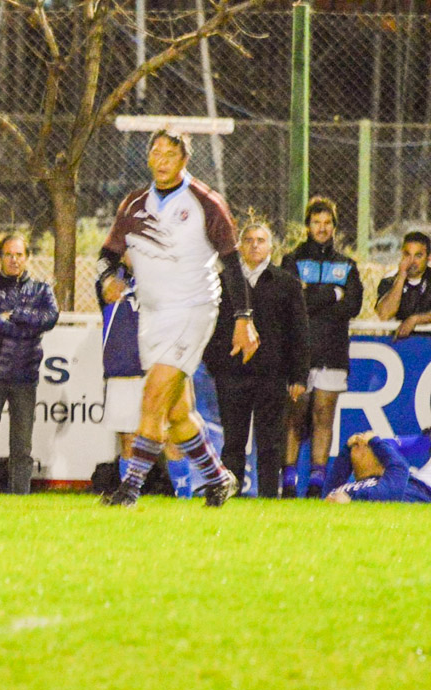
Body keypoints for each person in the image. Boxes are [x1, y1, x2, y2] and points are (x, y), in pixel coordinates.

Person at [97, 128, 259, 508]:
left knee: (152, 399)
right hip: (151, 314)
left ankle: (129, 490)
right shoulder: (134, 203)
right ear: (149, 158)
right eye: (157, 152)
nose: (164, 159)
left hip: (192, 310)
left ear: (184, 159)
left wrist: (243, 317)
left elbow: (232, 263)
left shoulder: (205, 201)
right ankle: (218, 479)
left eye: (172, 153)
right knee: (177, 412)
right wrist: (109, 278)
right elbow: (108, 254)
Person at [203, 222, 309, 498]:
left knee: (270, 442)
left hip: (271, 376)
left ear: (271, 247)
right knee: (233, 442)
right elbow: (209, 327)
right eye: (248, 240)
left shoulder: (286, 283)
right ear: (239, 247)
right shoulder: (224, 282)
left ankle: (267, 498)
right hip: (232, 374)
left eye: (261, 240)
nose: (254, 245)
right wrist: (217, 364)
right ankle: (231, 495)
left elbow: (299, 332)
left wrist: (298, 375)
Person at [280, 196, 364, 498]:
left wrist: (315, 297)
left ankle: (316, 484)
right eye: (316, 222)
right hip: (296, 354)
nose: (322, 228)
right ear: (307, 226)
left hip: (332, 352)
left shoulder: (347, 264)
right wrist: (333, 294)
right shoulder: (291, 260)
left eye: (327, 223)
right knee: (293, 417)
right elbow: (293, 303)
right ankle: (288, 484)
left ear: (335, 227)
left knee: (323, 417)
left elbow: (353, 306)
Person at [0, 234, 59, 494]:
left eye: (19, 255)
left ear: (27, 258)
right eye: (8, 254)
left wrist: (17, 315)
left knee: (22, 447)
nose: (14, 260)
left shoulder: (42, 290)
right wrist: (28, 328)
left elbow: (50, 317)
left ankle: (19, 497)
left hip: (25, 376)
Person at [96, 264, 193, 497]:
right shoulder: (113, 280)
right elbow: (106, 288)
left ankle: (185, 498)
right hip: (123, 370)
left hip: (160, 370)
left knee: (170, 437)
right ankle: (128, 496)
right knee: (128, 438)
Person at [324, 431, 431, 504]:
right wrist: (347, 449)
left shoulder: (387, 483)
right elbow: (335, 478)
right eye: (356, 446)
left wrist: (375, 442)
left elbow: (399, 468)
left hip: (422, 489)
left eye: (365, 447)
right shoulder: (348, 486)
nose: (360, 443)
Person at [375, 230, 431, 339]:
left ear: (428, 258)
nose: (412, 261)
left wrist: (415, 320)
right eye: (407, 255)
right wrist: (401, 277)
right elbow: (384, 314)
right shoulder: (390, 280)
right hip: (400, 345)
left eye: (418, 256)